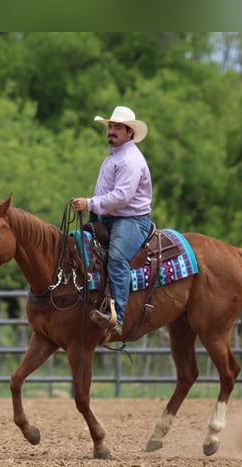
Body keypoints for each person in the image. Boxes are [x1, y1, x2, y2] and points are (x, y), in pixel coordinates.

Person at [71, 105, 153, 338]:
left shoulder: (130, 160)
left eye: (117, 127)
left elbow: (122, 197)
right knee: (76, 247)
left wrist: (89, 204)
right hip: (109, 218)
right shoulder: (115, 155)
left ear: (129, 132)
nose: (111, 131)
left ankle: (119, 318)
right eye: (110, 126)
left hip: (131, 220)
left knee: (117, 258)